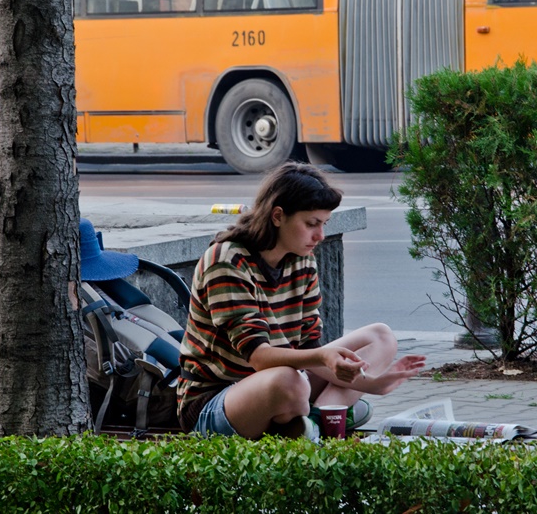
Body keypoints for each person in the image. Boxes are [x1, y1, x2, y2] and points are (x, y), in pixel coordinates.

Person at [177, 162, 426, 439]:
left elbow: (308, 348)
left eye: (324, 224)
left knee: (381, 336)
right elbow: (259, 358)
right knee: (291, 382)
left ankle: (315, 424)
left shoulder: (302, 260)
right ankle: (327, 415)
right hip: (214, 402)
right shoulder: (227, 259)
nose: (320, 235)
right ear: (278, 216)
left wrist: (373, 383)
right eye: (311, 224)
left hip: (287, 382)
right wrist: (328, 361)